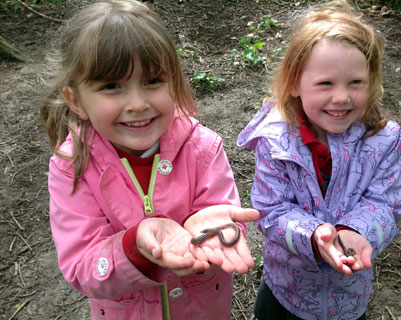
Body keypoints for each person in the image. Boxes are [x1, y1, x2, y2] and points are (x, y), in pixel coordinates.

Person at [41, 0, 259, 319]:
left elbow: (223, 218)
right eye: (112, 86)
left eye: (153, 81)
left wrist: (213, 231)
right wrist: (134, 248)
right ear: (76, 100)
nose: (138, 103)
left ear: (173, 80)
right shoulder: (72, 166)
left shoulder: (202, 147)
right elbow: (81, 265)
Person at [237, 1, 401, 319]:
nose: (341, 97)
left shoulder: (383, 139)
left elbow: (388, 204)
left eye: (355, 82)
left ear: (371, 82)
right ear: (294, 84)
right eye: (325, 83)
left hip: (348, 297)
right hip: (285, 289)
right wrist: (314, 235)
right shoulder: (276, 140)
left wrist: (356, 232)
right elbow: (270, 211)